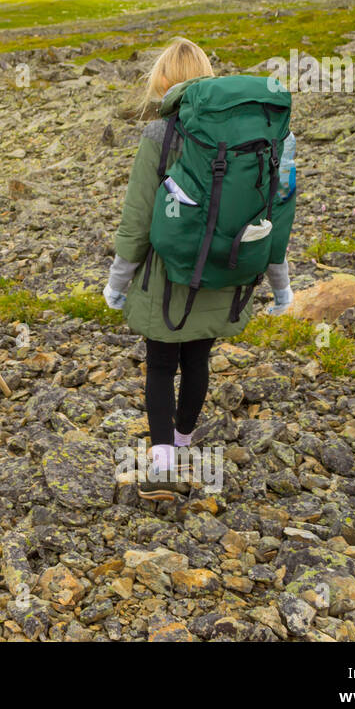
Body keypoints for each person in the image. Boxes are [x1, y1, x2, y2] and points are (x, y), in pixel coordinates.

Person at [105, 38, 295, 501]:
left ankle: (163, 458)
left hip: (166, 276)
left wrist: (117, 281)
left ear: (164, 83)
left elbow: (138, 217)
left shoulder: (161, 135)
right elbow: (280, 211)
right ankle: (185, 440)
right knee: (197, 359)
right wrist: (281, 286)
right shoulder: (268, 135)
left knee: (160, 363)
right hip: (229, 266)